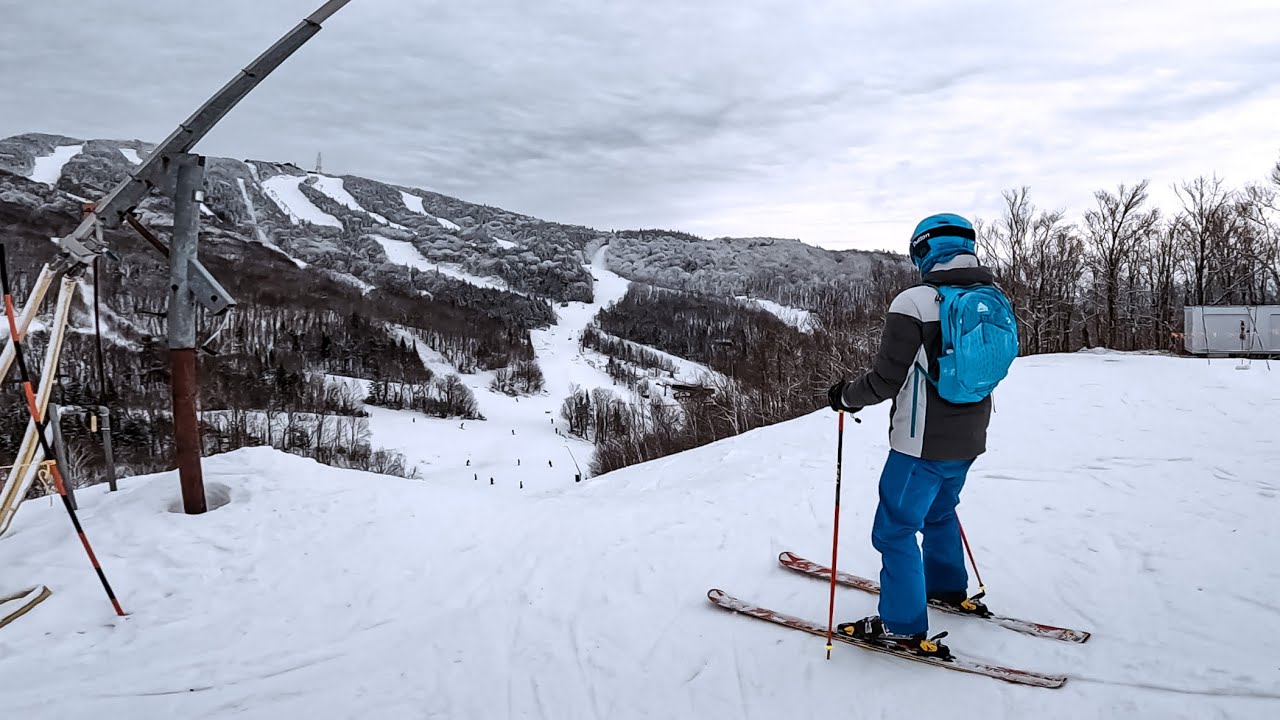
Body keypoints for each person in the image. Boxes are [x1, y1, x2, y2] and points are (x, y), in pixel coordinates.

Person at [826, 213, 1015, 659]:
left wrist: (845, 397)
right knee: (941, 511)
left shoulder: (914, 301)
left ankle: (901, 626)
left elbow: (885, 380)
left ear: (923, 249)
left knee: (894, 529)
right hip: (970, 437)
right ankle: (948, 589)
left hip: (920, 443)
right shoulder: (992, 296)